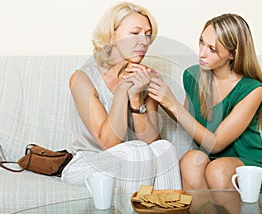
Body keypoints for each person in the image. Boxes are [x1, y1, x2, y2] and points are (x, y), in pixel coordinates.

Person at [148, 13, 262, 191]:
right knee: (190, 160)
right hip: (209, 160)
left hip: (246, 162)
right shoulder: (192, 75)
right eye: (201, 42)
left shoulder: (253, 89)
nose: (201, 53)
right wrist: (161, 94)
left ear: (232, 54)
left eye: (212, 49)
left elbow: (215, 144)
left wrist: (172, 102)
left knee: (217, 170)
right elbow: (188, 120)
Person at [61, 2, 182, 193]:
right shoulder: (82, 78)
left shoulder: (146, 78)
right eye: (135, 33)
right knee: (135, 150)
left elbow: (153, 142)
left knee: (164, 148)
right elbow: (109, 143)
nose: (144, 41)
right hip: (88, 163)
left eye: (148, 34)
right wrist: (122, 90)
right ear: (111, 36)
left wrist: (136, 99)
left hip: (134, 162)